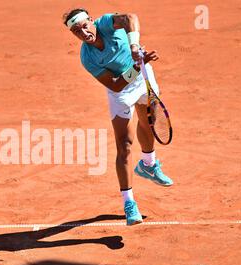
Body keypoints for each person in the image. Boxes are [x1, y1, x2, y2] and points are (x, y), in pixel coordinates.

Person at [63, 8, 173, 225]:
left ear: (92, 21)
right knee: (124, 145)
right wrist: (136, 65)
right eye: (77, 31)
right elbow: (115, 84)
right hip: (121, 91)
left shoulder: (106, 24)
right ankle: (129, 203)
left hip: (143, 77)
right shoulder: (87, 58)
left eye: (85, 26)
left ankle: (148, 165)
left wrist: (134, 47)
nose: (84, 33)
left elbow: (131, 18)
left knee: (147, 122)